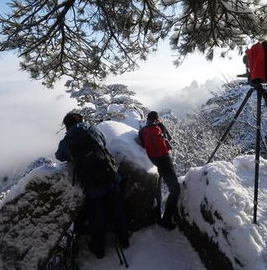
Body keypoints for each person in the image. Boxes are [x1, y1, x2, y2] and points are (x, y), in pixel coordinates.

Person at [55, 112, 129, 259]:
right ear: (81, 120)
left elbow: (60, 156)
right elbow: (103, 141)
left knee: (96, 217)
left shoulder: (66, 141)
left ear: (67, 126)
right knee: (117, 210)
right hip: (110, 177)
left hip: (91, 185)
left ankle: (99, 249)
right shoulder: (92, 129)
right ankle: (124, 240)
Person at [138, 111, 180, 230]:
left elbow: (142, 145)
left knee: (158, 188)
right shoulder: (160, 126)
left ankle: (157, 217)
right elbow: (169, 140)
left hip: (152, 162)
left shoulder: (142, 130)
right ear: (157, 118)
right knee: (175, 189)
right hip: (164, 160)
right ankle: (166, 219)